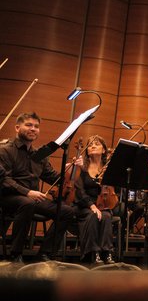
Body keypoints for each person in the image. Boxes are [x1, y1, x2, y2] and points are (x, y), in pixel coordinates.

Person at [0, 112, 76, 263]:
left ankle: (44, 253)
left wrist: (72, 168)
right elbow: (4, 180)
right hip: (7, 196)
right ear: (17, 128)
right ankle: (16, 254)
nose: (33, 129)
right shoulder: (5, 150)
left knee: (67, 211)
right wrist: (27, 192)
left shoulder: (39, 155)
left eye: (36, 126)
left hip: (31, 199)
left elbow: (53, 178)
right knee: (27, 203)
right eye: (28, 125)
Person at [73, 134, 115, 265]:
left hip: (102, 204)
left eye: (97, 144)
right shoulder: (82, 167)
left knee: (106, 216)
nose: (93, 146)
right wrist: (92, 206)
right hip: (84, 205)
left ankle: (107, 252)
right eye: (90, 145)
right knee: (93, 215)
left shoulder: (107, 168)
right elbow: (79, 191)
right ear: (86, 150)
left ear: (104, 150)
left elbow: (114, 190)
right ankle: (93, 253)